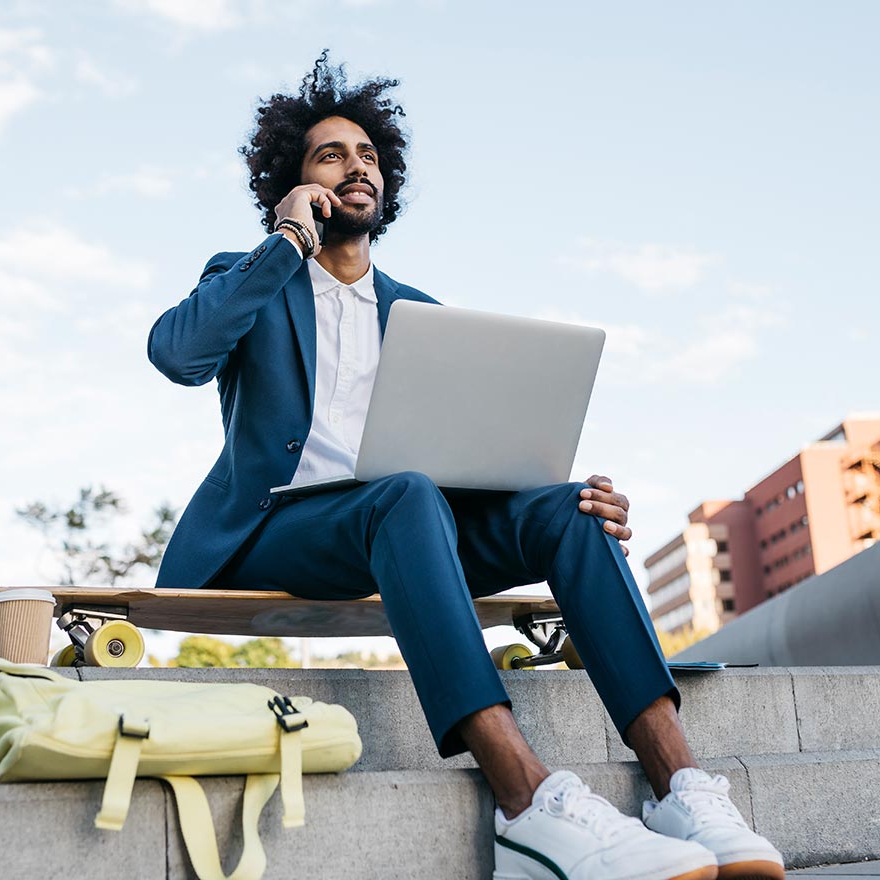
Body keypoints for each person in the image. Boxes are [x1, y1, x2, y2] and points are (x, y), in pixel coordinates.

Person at [148, 53, 785, 880]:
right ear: (292, 180)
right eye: (329, 155)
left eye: (368, 154)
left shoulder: (420, 316)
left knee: (568, 508)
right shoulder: (249, 277)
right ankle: (526, 803)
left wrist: (562, 497)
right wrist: (285, 241)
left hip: (406, 527)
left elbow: (476, 462)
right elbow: (177, 354)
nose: (355, 166)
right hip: (277, 530)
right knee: (404, 495)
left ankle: (682, 786)